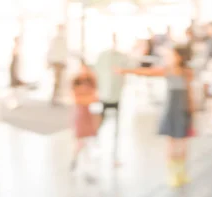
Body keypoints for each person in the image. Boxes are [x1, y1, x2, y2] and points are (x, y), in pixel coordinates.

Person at [117, 45, 194, 187]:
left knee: (182, 144)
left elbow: (189, 92)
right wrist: (125, 71)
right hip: (172, 109)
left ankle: (181, 172)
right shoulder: (168, 70)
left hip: (182, 110)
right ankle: (172, 173)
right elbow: (146, 72)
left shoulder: (187, 72)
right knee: (171, 143)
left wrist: (191, 109)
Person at [90, 33, 130, 166]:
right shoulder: (103, 57)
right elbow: (96, 73)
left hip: (116, 95)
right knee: (101, 120)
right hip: (104, 95)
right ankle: (96, 142)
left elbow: (127, 71)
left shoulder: (121, 57)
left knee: (116, 125)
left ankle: (115, 155)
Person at [70, 59, 100, 174]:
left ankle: (88, 167)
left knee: (89, 142)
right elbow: (77, 97)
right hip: (81, 114)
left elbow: (94, 97)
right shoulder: (76, 81)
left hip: (89, 114)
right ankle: (75, 160)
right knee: (80, 141)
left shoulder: (91, 80)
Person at [48, 24, 69, 106]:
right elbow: (52, 51)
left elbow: (64, 52)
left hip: (60, 62)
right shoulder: (57, 39)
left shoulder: (62, 39)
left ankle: (57, 96)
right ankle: (55, 97)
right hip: (57, 62)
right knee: (57, 80)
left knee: (59, 80)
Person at [6, 36, 26, 109]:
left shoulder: (18, 50)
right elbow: (14, 64)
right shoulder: (15, 50)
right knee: (15, 87)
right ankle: (13, 102)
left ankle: (16, 101)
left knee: (16, 87)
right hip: (15, 71)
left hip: (16, 71)